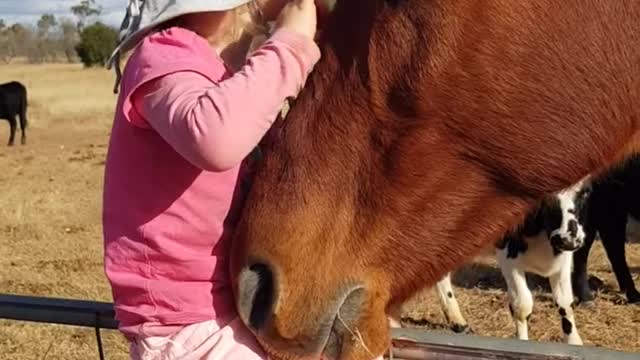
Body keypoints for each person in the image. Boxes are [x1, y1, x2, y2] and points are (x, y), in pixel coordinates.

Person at [101, 0, 320, 359]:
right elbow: (214, 139)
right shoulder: (165, 52)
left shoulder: (234, 76)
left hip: (238, 300)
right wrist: (290, 45)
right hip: (184, 319)